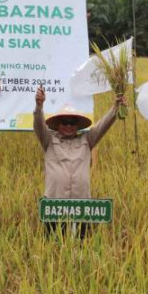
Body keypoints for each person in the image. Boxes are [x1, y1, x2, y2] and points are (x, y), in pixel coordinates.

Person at [34, 86, 125, 238]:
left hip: (81, 205)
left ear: (77, 125)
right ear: (57, 124)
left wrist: (116, 107)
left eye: (72, 122)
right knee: (53, 248)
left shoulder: (87, 140)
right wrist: (39, 106)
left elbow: (103, 125)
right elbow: (38, 125)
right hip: (55, 205)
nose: (69, 126)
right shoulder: (49, 139)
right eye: (65, 122)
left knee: (81, 244)